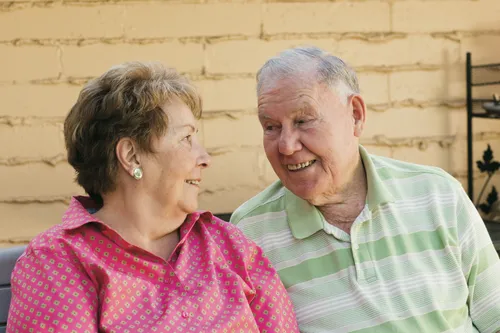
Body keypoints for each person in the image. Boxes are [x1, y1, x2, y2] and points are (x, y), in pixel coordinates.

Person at [7, 62, 299, 333]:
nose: (204, 158)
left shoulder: (231, 247)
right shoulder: (58, 261)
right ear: (131, 156)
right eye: (186, 138)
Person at [230, 46, 500, 332]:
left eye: (303, 121)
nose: (286, 145)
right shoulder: (249, 233)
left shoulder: (438, 195)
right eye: (270, 126)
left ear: (356, 116)